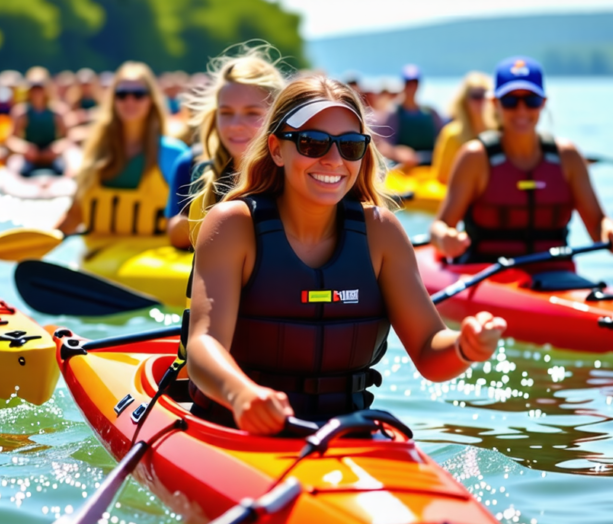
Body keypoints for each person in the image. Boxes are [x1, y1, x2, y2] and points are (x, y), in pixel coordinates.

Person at [185, 76, 506, 435]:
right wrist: (242, 394)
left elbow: (431, 352)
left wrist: (465, 346)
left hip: (347, 433)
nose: (333, 160)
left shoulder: (381, 233)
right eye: (312, 143)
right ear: (276, 148)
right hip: (238, 431)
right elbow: (203, 345)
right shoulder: (233, 225)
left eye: (350, 146)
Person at [430, 56, 613, 275]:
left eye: (531, 100)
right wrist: (444, 238)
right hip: (487, 277)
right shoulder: (474, 157)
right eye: (510, 101)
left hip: (556, 277)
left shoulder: (569, 157)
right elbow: (438, 227)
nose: (521, 110)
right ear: (495, 104)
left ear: (544, 102)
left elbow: (597, 226)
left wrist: (611, 231)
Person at [165, 45, 286, 249]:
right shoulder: (192, 165)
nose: (235, 124)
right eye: (226, 113)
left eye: (252, 113)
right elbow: (174, 236)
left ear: (277, 117)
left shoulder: (296, 177)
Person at [56, 61, 188, 236]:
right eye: (122, 94)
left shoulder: (175, 155)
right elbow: (74, 216)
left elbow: (188, 221)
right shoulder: (95, 151)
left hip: (155, 259)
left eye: (138, 94)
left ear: (151, 100)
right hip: (96, 258)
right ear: (113, 99)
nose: (129, 100)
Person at [431, 72, 495, 185]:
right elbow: (442, 177)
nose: (481, 101)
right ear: (465, 101)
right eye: (475, 96)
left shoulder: (498, 132)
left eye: (484, 95)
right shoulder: (452, 134)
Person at [375, 64, 444, 169]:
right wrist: (397, 153)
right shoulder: (393, 113)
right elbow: (380, 144)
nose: (412, 86)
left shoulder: (431, 112)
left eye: (415, 82)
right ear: (403, 84)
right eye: (408, 83)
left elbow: (443, 139)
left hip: (430, 169)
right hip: (403, 170)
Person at [7, 67, 69, 177]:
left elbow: (67, 138)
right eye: (33, 87)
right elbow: (11, 139)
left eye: (40, 87)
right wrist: (24, 148)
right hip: (30, 157)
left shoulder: (57, 112)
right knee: (14, 167)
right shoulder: (21, 112)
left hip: (51, 156)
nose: (37, 91)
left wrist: (56, 148)